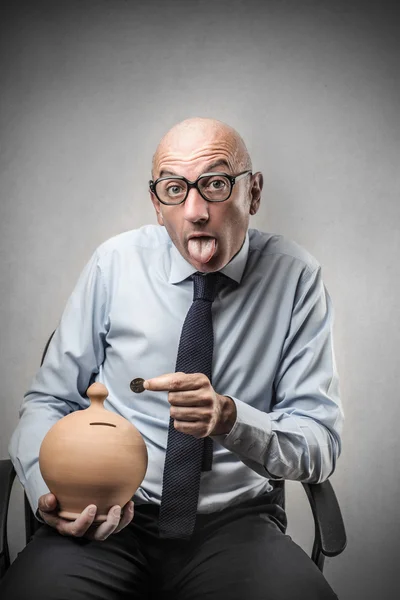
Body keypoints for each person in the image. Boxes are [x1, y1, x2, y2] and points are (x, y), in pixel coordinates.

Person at [1, 117, 343, 599]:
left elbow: (320, 441)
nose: (196, 211)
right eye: (174, 189)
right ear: (156, 205)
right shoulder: (114, 264)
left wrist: (231, 419)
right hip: (109, 514)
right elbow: (47, 401)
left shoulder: (297, 279)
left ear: (255, 192)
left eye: (216, 184)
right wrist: (46, 494)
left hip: (235, 525)